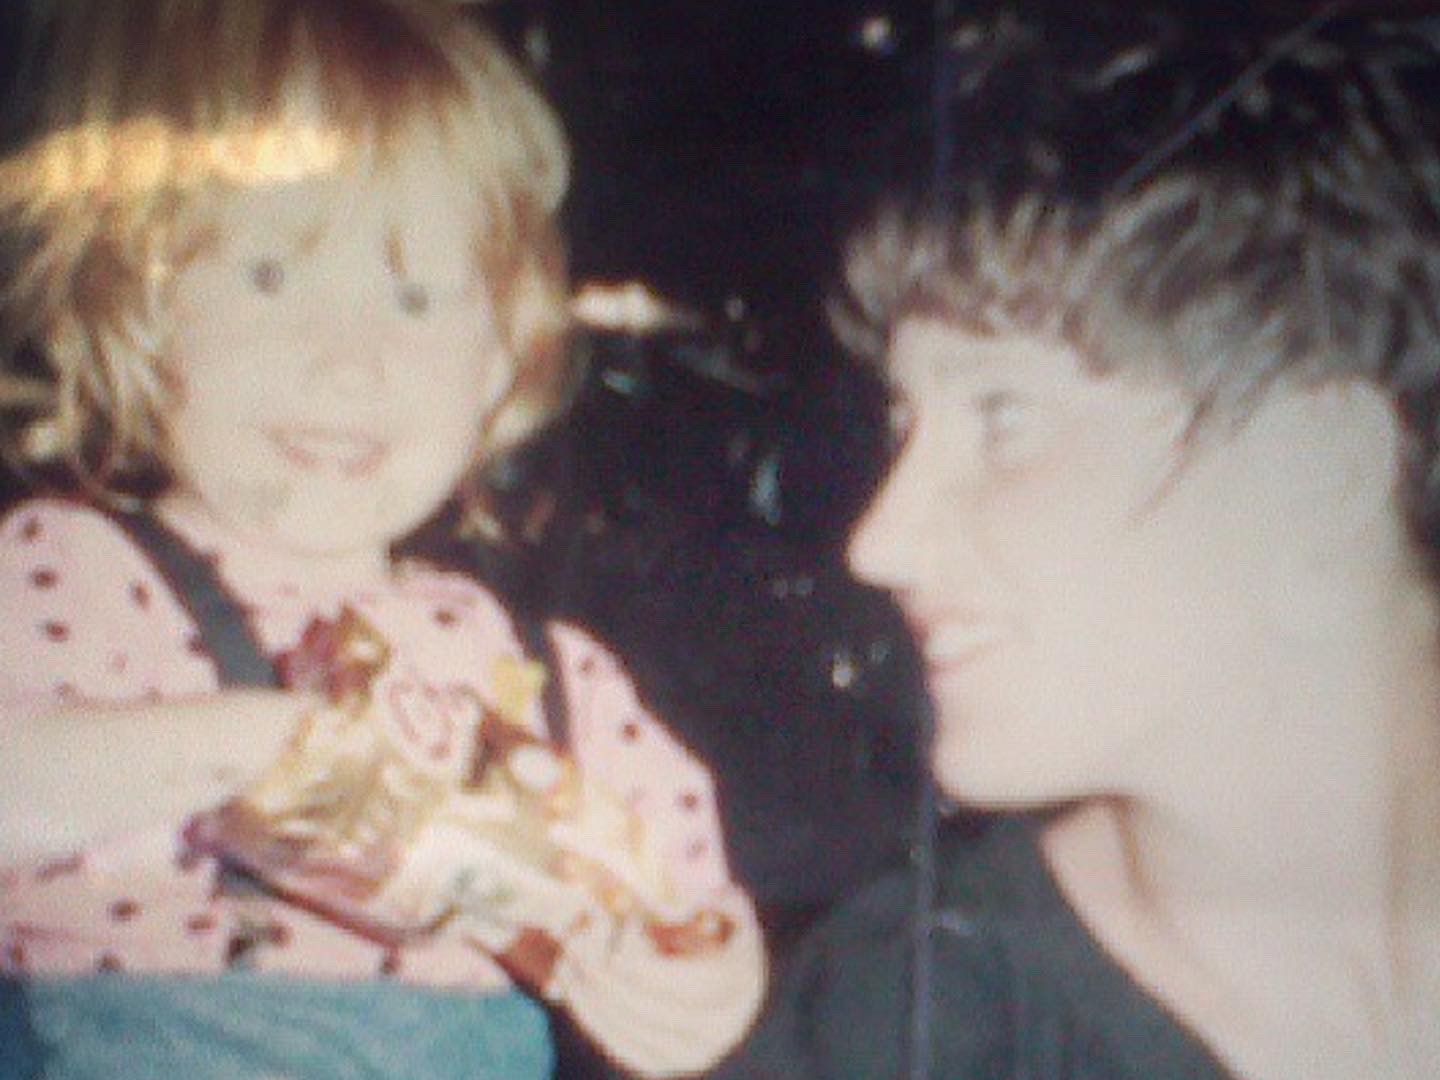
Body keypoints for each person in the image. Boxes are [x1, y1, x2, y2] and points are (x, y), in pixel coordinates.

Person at [0, 2, 763, 1078]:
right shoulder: (67, 574)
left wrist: (704, 981)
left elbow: (685, 895)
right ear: (139, 300)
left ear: (500, 356)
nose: (347, 363)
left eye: (414, 297)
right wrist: (268, 748)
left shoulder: (540, 675)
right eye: (271, 276)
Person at [714, 4, 1440, 1079]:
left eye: (1003, 417)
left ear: (1314, 471)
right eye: (903, 427)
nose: (877, 542)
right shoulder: (899, 1025)